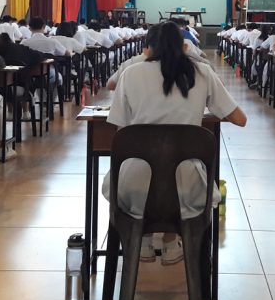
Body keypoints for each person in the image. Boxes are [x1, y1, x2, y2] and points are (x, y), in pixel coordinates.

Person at [105, 22, 246, 264]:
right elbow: (240, 119)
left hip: (133, 185)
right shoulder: (202, 72)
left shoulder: (131, 73)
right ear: (184, 46)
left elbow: (121, 132)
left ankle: (143, 240)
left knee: (136, 178)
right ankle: (171, 242)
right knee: (179, 179)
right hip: (186, 189)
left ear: (148, 48)